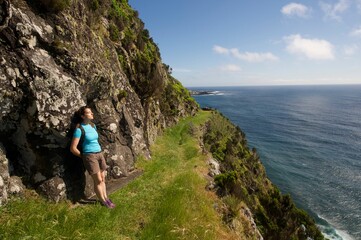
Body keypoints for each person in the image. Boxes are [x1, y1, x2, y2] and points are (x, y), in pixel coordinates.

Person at [70, 106, 115, 208]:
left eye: (91, 112)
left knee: (103, 178)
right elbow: (73, 148)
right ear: (82, 116)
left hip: (99, 153)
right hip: (89, 155)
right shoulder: (79, 129)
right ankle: (103, 201)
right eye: (89, 113)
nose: (92, 114)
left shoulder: (92, 126)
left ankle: (106, 198)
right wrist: (84, 156)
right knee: (98, 180)